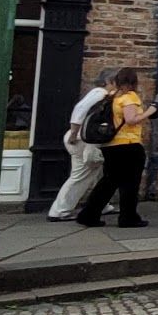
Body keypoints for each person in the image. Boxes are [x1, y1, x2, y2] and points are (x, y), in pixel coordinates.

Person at [76, 68, 158, 229]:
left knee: (108, 182)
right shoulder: (130, 97)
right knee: (130, 184)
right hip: (129, 145)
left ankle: (88, 214)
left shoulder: (113, 97)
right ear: (133, 82)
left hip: (111, 145)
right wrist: (150, 111)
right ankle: (128, 217)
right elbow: (131, 120)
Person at [47, 69, 116, 222]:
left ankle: (101, 205)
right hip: (83, 140)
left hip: (81, 139)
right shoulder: (100, 93)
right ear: (109, 82)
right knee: (81, 176)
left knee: (97, 174)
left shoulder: (101, 94)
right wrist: (74, 133)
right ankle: (60, 211)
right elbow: (80, 109)